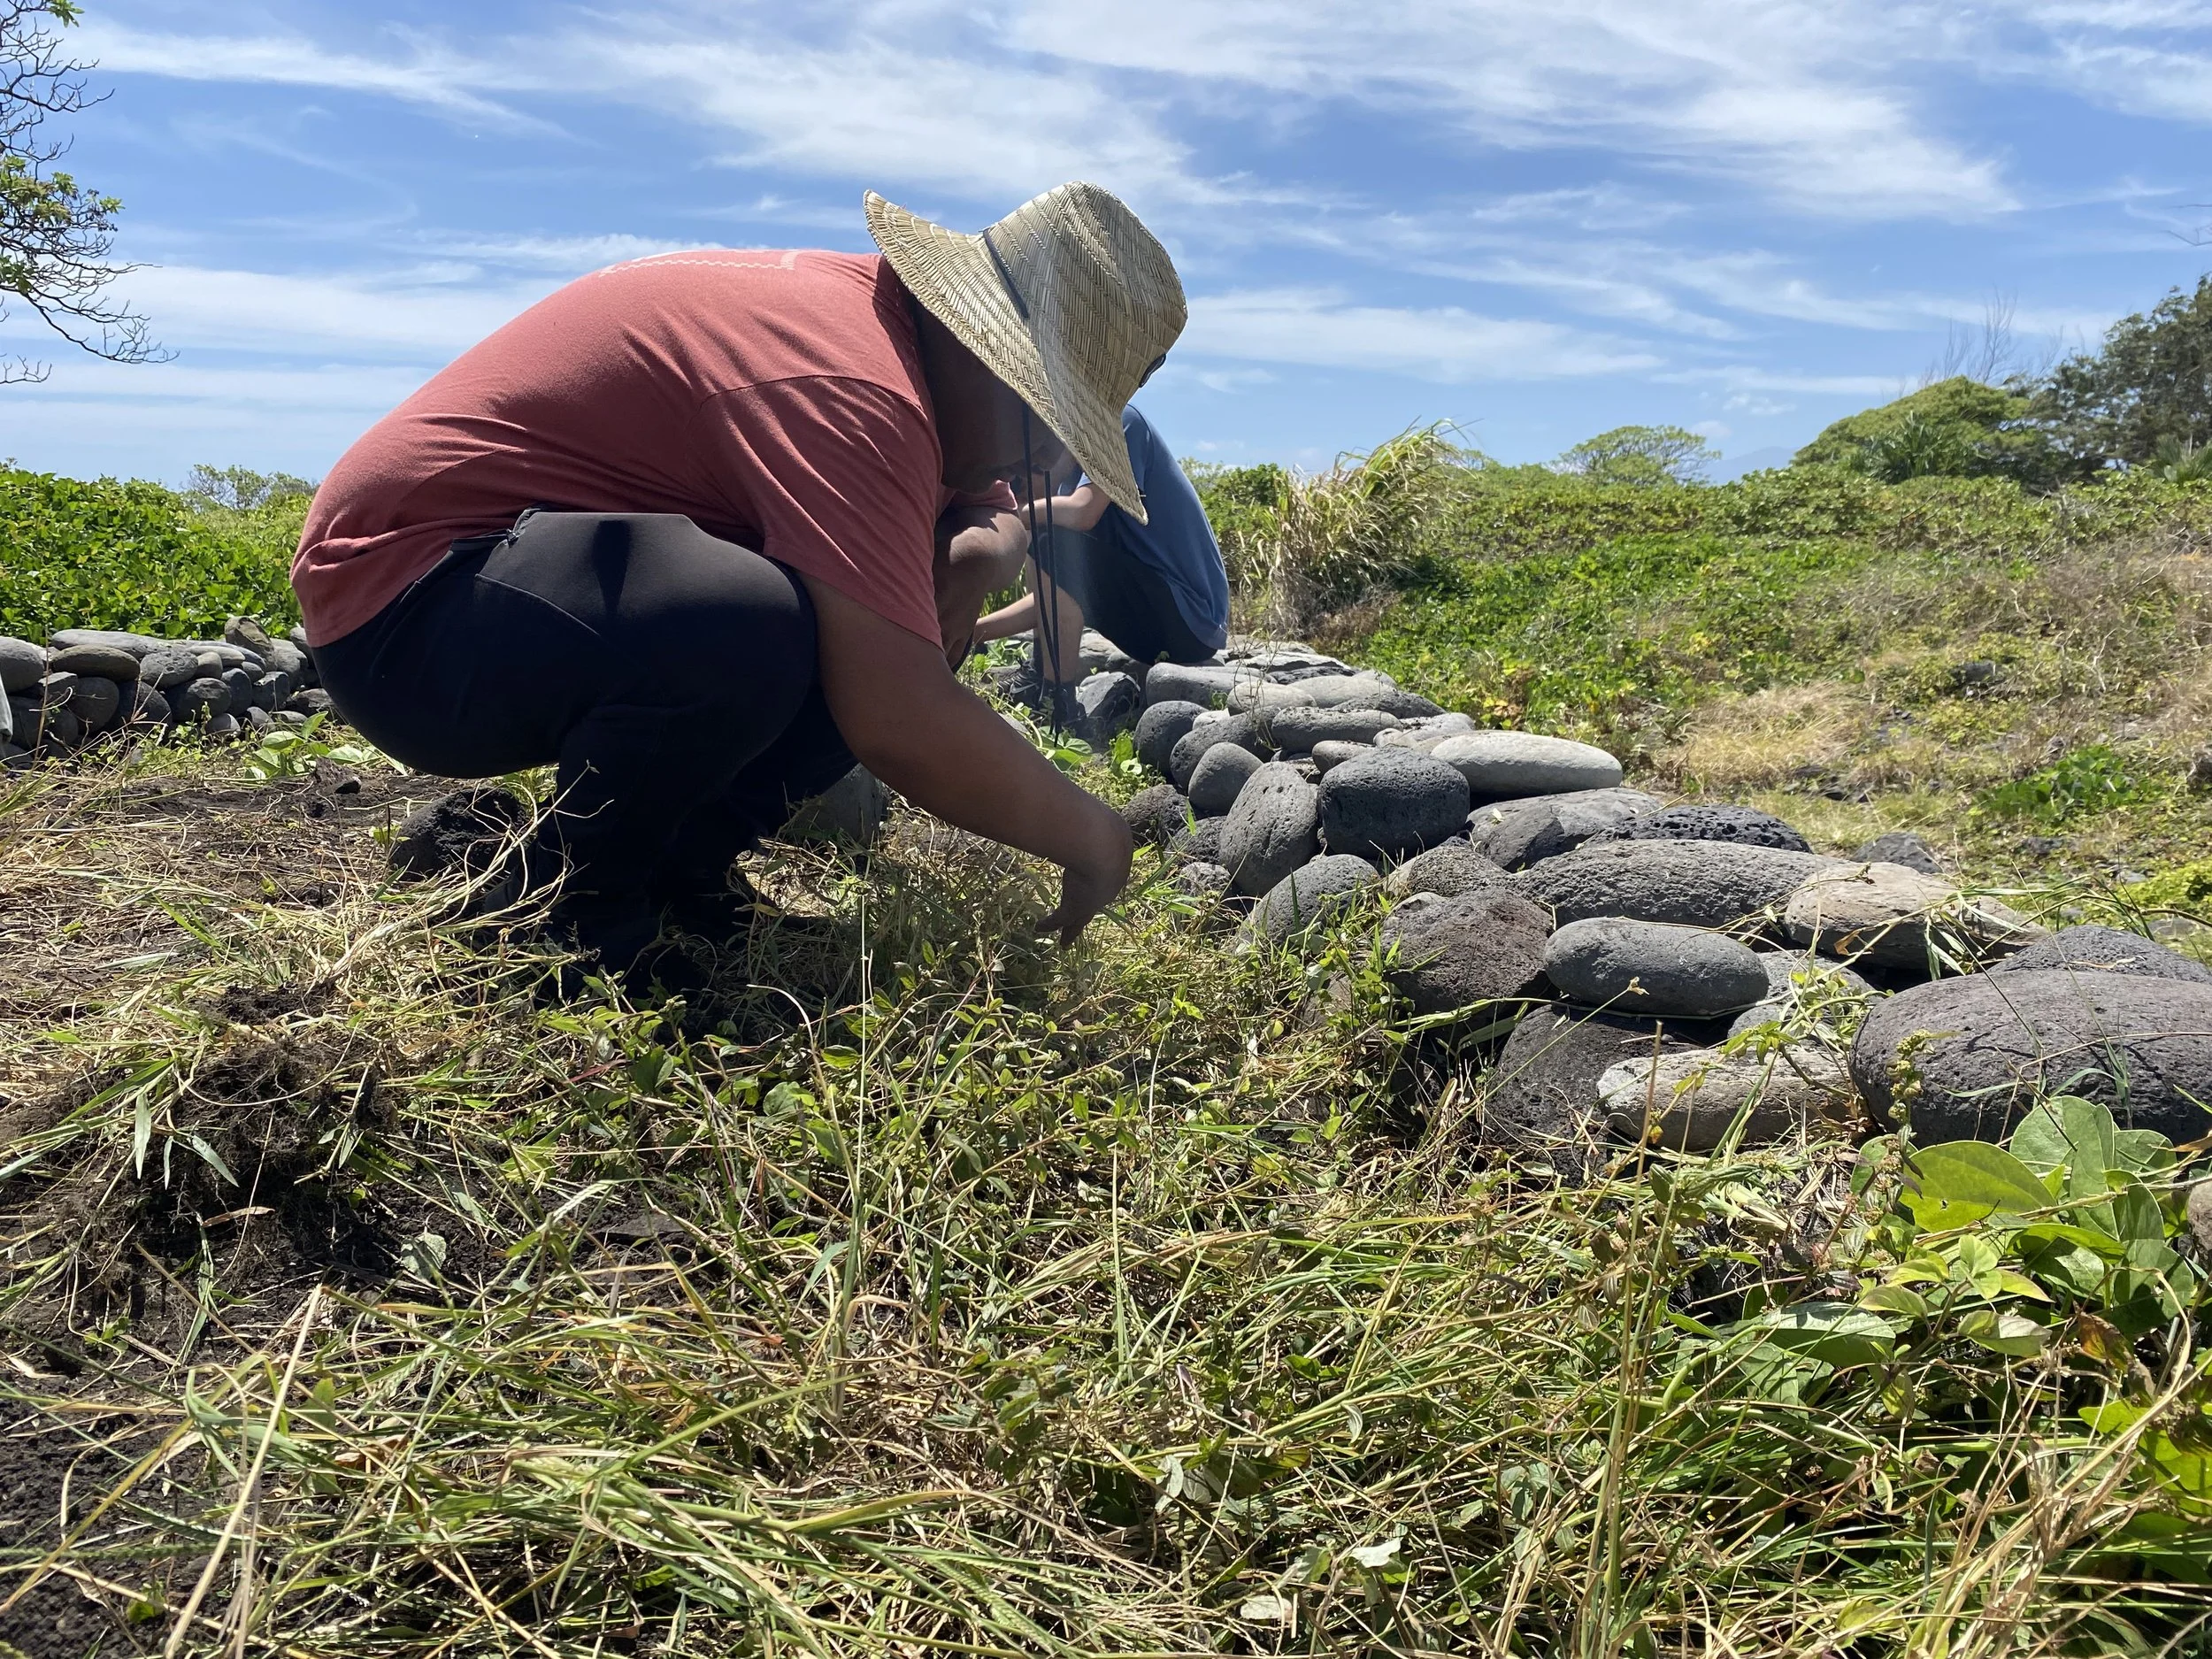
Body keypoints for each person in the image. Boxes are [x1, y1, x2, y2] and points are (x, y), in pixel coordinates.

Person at [291, 181, 1186, 973]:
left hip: (514, 593)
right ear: (995, 360)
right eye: (1048, 426)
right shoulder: (855, 383)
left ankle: (679, 874)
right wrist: (1094, 839)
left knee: (865, 611)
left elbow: (993, 514)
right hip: (408, 615)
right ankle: (568, 914)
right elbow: (898, 718)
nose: (1045, 462)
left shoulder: (909, 354)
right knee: (753, 623)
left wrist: (972, 558)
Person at [972, 403, 1229, 714]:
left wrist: (1009, 517)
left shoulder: (1120, 423)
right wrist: (972, 631)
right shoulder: (1071, 482)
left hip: (1192, 619)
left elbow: (1084, 512)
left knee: (1049, 538)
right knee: (1048, 537)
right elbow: (1052, 599)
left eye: (1029, 474)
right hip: (1159, 626)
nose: (1025, 490)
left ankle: (1057, 703)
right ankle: (1038, 678)